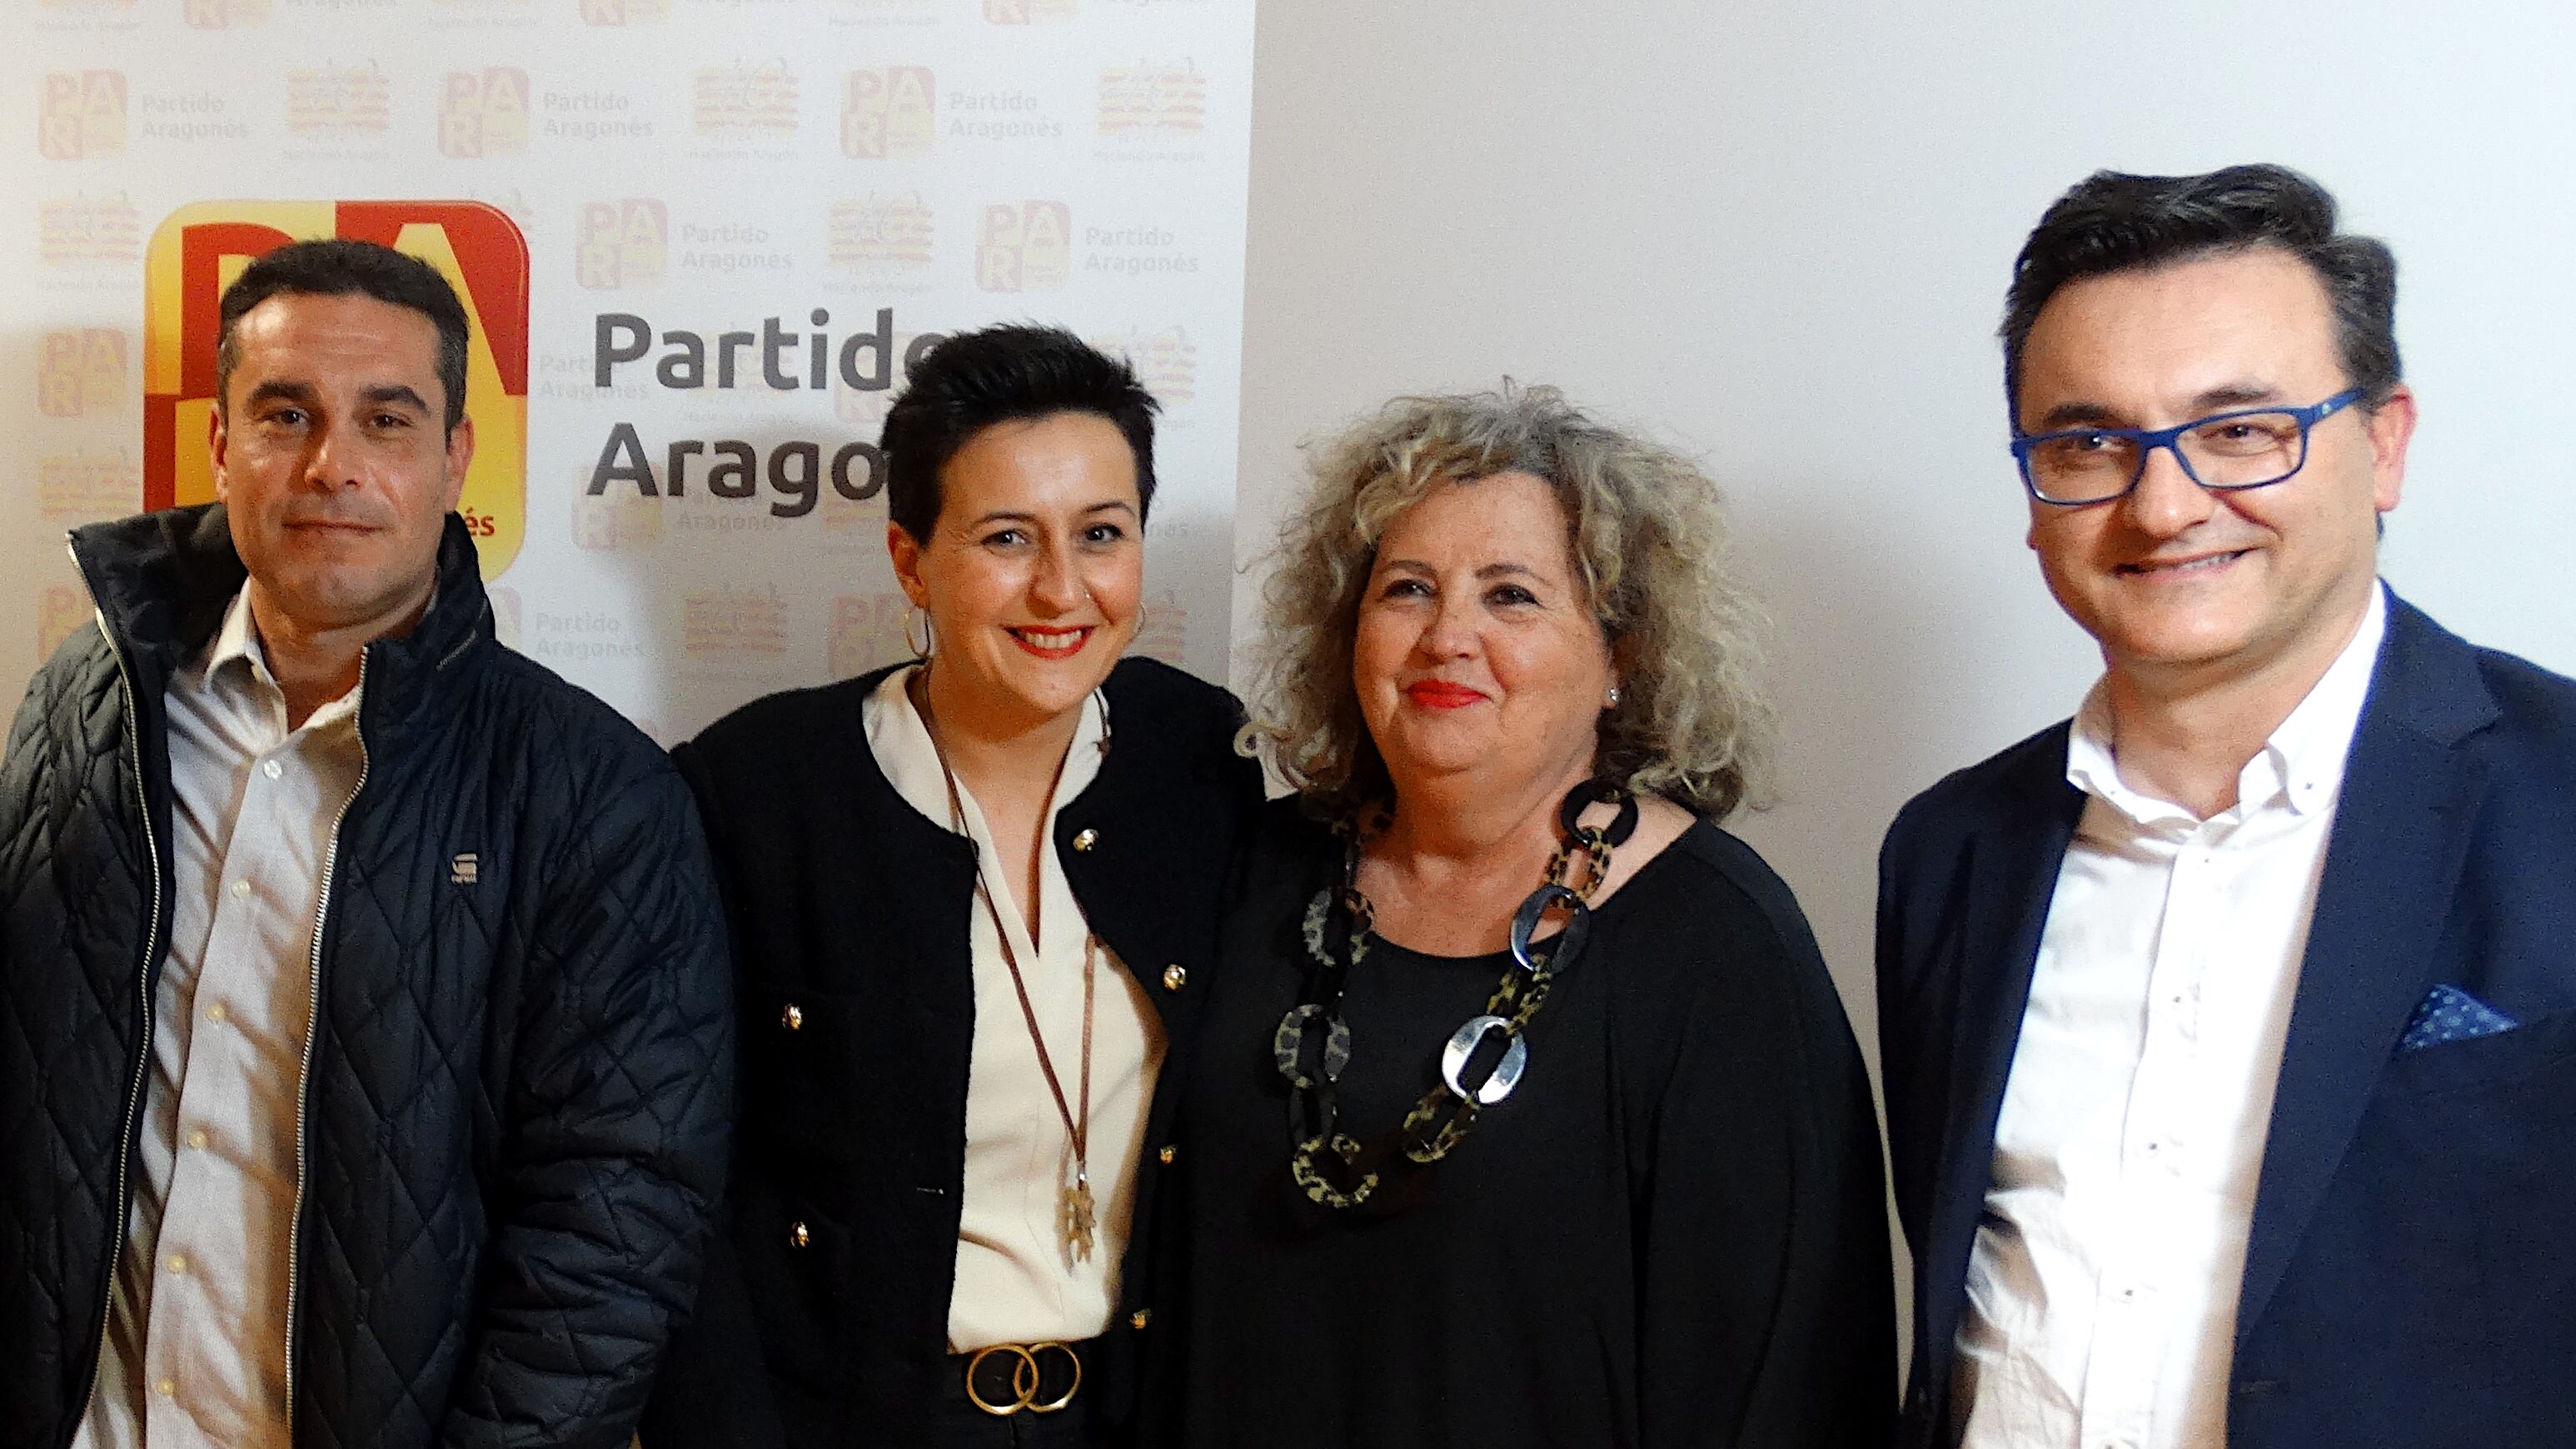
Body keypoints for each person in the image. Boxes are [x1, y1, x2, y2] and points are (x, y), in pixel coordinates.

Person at [1877, 163, 2576, 1449]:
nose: (2163, 503)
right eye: (2089, 443)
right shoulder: (1950, 851)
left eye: (2241, 429)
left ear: (2385, 444)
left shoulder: (2560, 796)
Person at [0, 239, 733, 1449]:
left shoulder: (593, 795)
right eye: (286, 414)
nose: (331, 465)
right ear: (224, 448)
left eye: (387, 420)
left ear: (455, 461)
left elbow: (614, 1229)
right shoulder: (92, 703)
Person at [1158, 385, 1895, 1448]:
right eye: (1408, 589)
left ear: (1621, 654)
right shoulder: (1253, 873)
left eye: (1512, 596)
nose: (1447, 637)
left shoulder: (1720, 945)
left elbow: (1786, 1382)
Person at [640, 325, 1263, 1448]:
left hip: (1140, 1412)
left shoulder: (1200, 762)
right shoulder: (758, 793)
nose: (1061, 589)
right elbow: (680, 1187)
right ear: (911, 560)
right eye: (1006, 538)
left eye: (1102, 535)